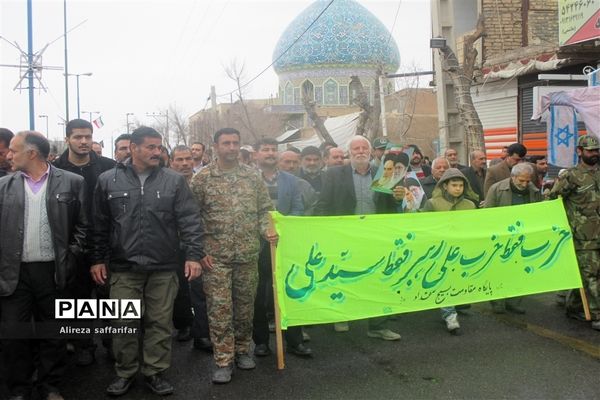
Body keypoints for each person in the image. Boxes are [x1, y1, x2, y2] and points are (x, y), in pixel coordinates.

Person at [90, 126, 205, 396]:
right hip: (124, 267)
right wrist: (97, 259)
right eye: (151, 147)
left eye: (159, 147)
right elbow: (98, 224)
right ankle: (125, 372)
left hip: (164, 267)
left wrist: (193, 255)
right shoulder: (108, 180)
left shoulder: (173, 181)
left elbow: (190, 220)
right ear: (134, 148)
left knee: (159, 322)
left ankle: (155, 372)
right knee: (124, 323)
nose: (157, 152)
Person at [0, 131, 88, 400]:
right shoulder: (4, 185)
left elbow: (83, 227)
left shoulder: (72, 182)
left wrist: (70, 256)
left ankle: (50, 386)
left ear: (32, 153)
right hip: (14, 274)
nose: (8, 155)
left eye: (13, 150)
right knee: (14, 335)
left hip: (54, 272)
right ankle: (19, 389)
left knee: (53, 333)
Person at [190, 128, 276, 384]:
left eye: (235, 143)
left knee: (245, 308)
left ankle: (241, 350)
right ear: (215, 146)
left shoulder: (252, 177)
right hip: (215, 258)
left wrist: (267, 229)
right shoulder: (202, 179)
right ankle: (223, 360)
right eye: (226, 143)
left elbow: (264, 209)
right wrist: (198, 252)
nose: (231, 147)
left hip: (248, 253)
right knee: (219, 310)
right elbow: (191, 218)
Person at [316, 135, 401, 341]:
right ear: (349, 152)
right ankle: (342, 316)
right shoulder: (334, 174)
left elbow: (391, 207)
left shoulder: (384, 174)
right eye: (356, 148)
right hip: (345, 237)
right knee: (343, 277)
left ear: (371, 152)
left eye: (364, 148)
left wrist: (398, 198)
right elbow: (325, 204)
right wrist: (319, 230)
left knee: (379, 279)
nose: (360, 151)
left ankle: (378, 326)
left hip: (376, 237)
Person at [53, 118, 116, 366]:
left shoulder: (109, 167)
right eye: (78, 137)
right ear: (67, 138)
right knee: (77, 299)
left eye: (88, 137)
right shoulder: (56, 169)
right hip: (72, 244)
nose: (84, 142)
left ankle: (113, 342)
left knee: (110, 297)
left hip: (106, 242)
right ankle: (83, 344)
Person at [252, 138, 312, 358]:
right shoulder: (249, 179)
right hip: (257, 246)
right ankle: (260, 342)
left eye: (273, 149)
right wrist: (264, 232)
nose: (270, 153)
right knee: (259, 294)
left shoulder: (291, 181)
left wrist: (281, 229)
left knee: (289, 292)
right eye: (265, 149)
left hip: (284, 244)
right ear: (256, 154)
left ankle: (294, 341)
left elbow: (298, 208)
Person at [548, 135, 600, 331]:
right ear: (580, 151)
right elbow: (553, 199)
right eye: (590, 151)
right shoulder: (570, 176)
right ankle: (596, 315)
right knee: (590, 274)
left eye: (596, 150)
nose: (594, 154)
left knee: (593, 274)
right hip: (582, 235)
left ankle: (573, 306)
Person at [422, 168, 478, 334]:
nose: (458, 188)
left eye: (461, 185)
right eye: (454, 185)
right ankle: (450, 316)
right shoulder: (432, 203)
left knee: (458, 280)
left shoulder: (470, 205)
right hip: (441, 251)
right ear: (445, 186)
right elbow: (426, 227)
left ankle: (455, 306)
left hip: (463, 252)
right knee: (444, 281)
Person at [485, 163, 542, 314]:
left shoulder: (534, 191)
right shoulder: (496, 189)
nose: (524, 184)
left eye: (527, 181)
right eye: (521, 181)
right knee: (499, 270)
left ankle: (514, 301)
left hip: (522, 237)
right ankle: (497, 300)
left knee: (518, 270)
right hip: (501, 238)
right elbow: (487, 215)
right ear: (513, 177)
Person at [279, 151, 318, 215]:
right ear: (278, 163)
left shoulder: (305, 185)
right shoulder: (273, 184)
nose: (291, 166)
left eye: (295, 162)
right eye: (287, 162)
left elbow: (313, 207)